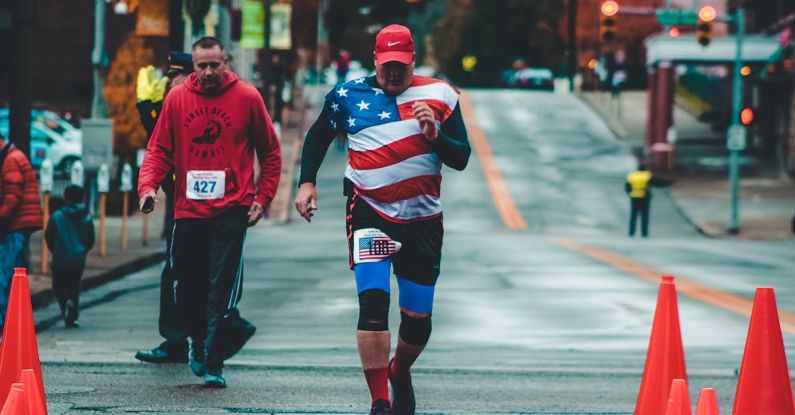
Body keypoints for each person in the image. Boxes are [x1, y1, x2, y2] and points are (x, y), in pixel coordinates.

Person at [294, 24, 471, 415]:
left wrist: (434, 134)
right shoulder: (346, 95)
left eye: (401, 66)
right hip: (371, 211)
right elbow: (318, 136)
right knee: (373, 306)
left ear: (413, 61)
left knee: (418, 323)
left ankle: (399, 369)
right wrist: (307, 183)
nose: (393, 74)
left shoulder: (440, 94)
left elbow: (461, 157)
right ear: (376, 60)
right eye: (387, 65)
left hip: (423, 220)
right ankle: (379, 401)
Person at [138, 36, 281, 388]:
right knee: (184, 286)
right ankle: (200, 342)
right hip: (188, 209)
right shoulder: (177, 98)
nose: (207, 72)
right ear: (194, 66)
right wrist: (148, 188)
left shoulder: (247, 97)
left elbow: (271, 153)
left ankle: (214, 362)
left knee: (219, 287)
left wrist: (262, 198)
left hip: (232, 208)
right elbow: (158, 150)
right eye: (201, 66)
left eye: (214, 65)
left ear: (225, 63)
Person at [133, 51, 193, 364]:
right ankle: (176, 339)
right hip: (179, 202)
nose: (171, 82)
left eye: (177, 75)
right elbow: (158, 148)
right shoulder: (170, 105)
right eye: (169, 77)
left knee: (206, 274)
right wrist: (149, 111)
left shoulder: (196, 105)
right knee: (174, 272)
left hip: (210, 206)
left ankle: (202, 339)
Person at [0, 133, 42, 331]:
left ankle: (5, 321)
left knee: (6, 272)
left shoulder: (11, 160)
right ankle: (11, 319)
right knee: (13, 271)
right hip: (22, 223)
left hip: (17, 224)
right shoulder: (14, 156)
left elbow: (12, 198)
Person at [44, 185, 95, 328]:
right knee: (74, 287)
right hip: (78, 259)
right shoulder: (87, 217)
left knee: (58, 286)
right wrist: (82, 250)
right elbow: (91, 239)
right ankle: (73, 316)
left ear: (65, 197)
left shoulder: (57, 216)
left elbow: (49, 236)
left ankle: (65, 303)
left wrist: (55, 250)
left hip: (60, 258)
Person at [625, 162, 670, 238]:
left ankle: (631, 232)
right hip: (644, 198)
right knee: (644, 216)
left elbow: (627, 187)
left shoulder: (632, 176)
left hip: (634, 198)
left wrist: (631, 194)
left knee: (633, 215)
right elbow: (657, 183)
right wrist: (668, 183)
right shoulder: (647, 176)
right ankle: (644, 232)